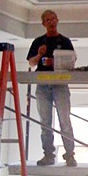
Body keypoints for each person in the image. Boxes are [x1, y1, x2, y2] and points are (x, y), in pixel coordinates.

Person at [27, 9, 77, 167]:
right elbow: (31, 63)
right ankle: (48, 155)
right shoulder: (38, 42)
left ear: (57, 20)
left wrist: (55, 63)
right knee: (45, 122)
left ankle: (70, 155)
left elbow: (71, 62)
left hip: (60, 84)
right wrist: (39, 55)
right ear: (43, 24)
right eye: (48, 20)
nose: (51, 22)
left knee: (65, 121)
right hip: (42, 84)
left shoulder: (65, 41)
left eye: (53, 19)